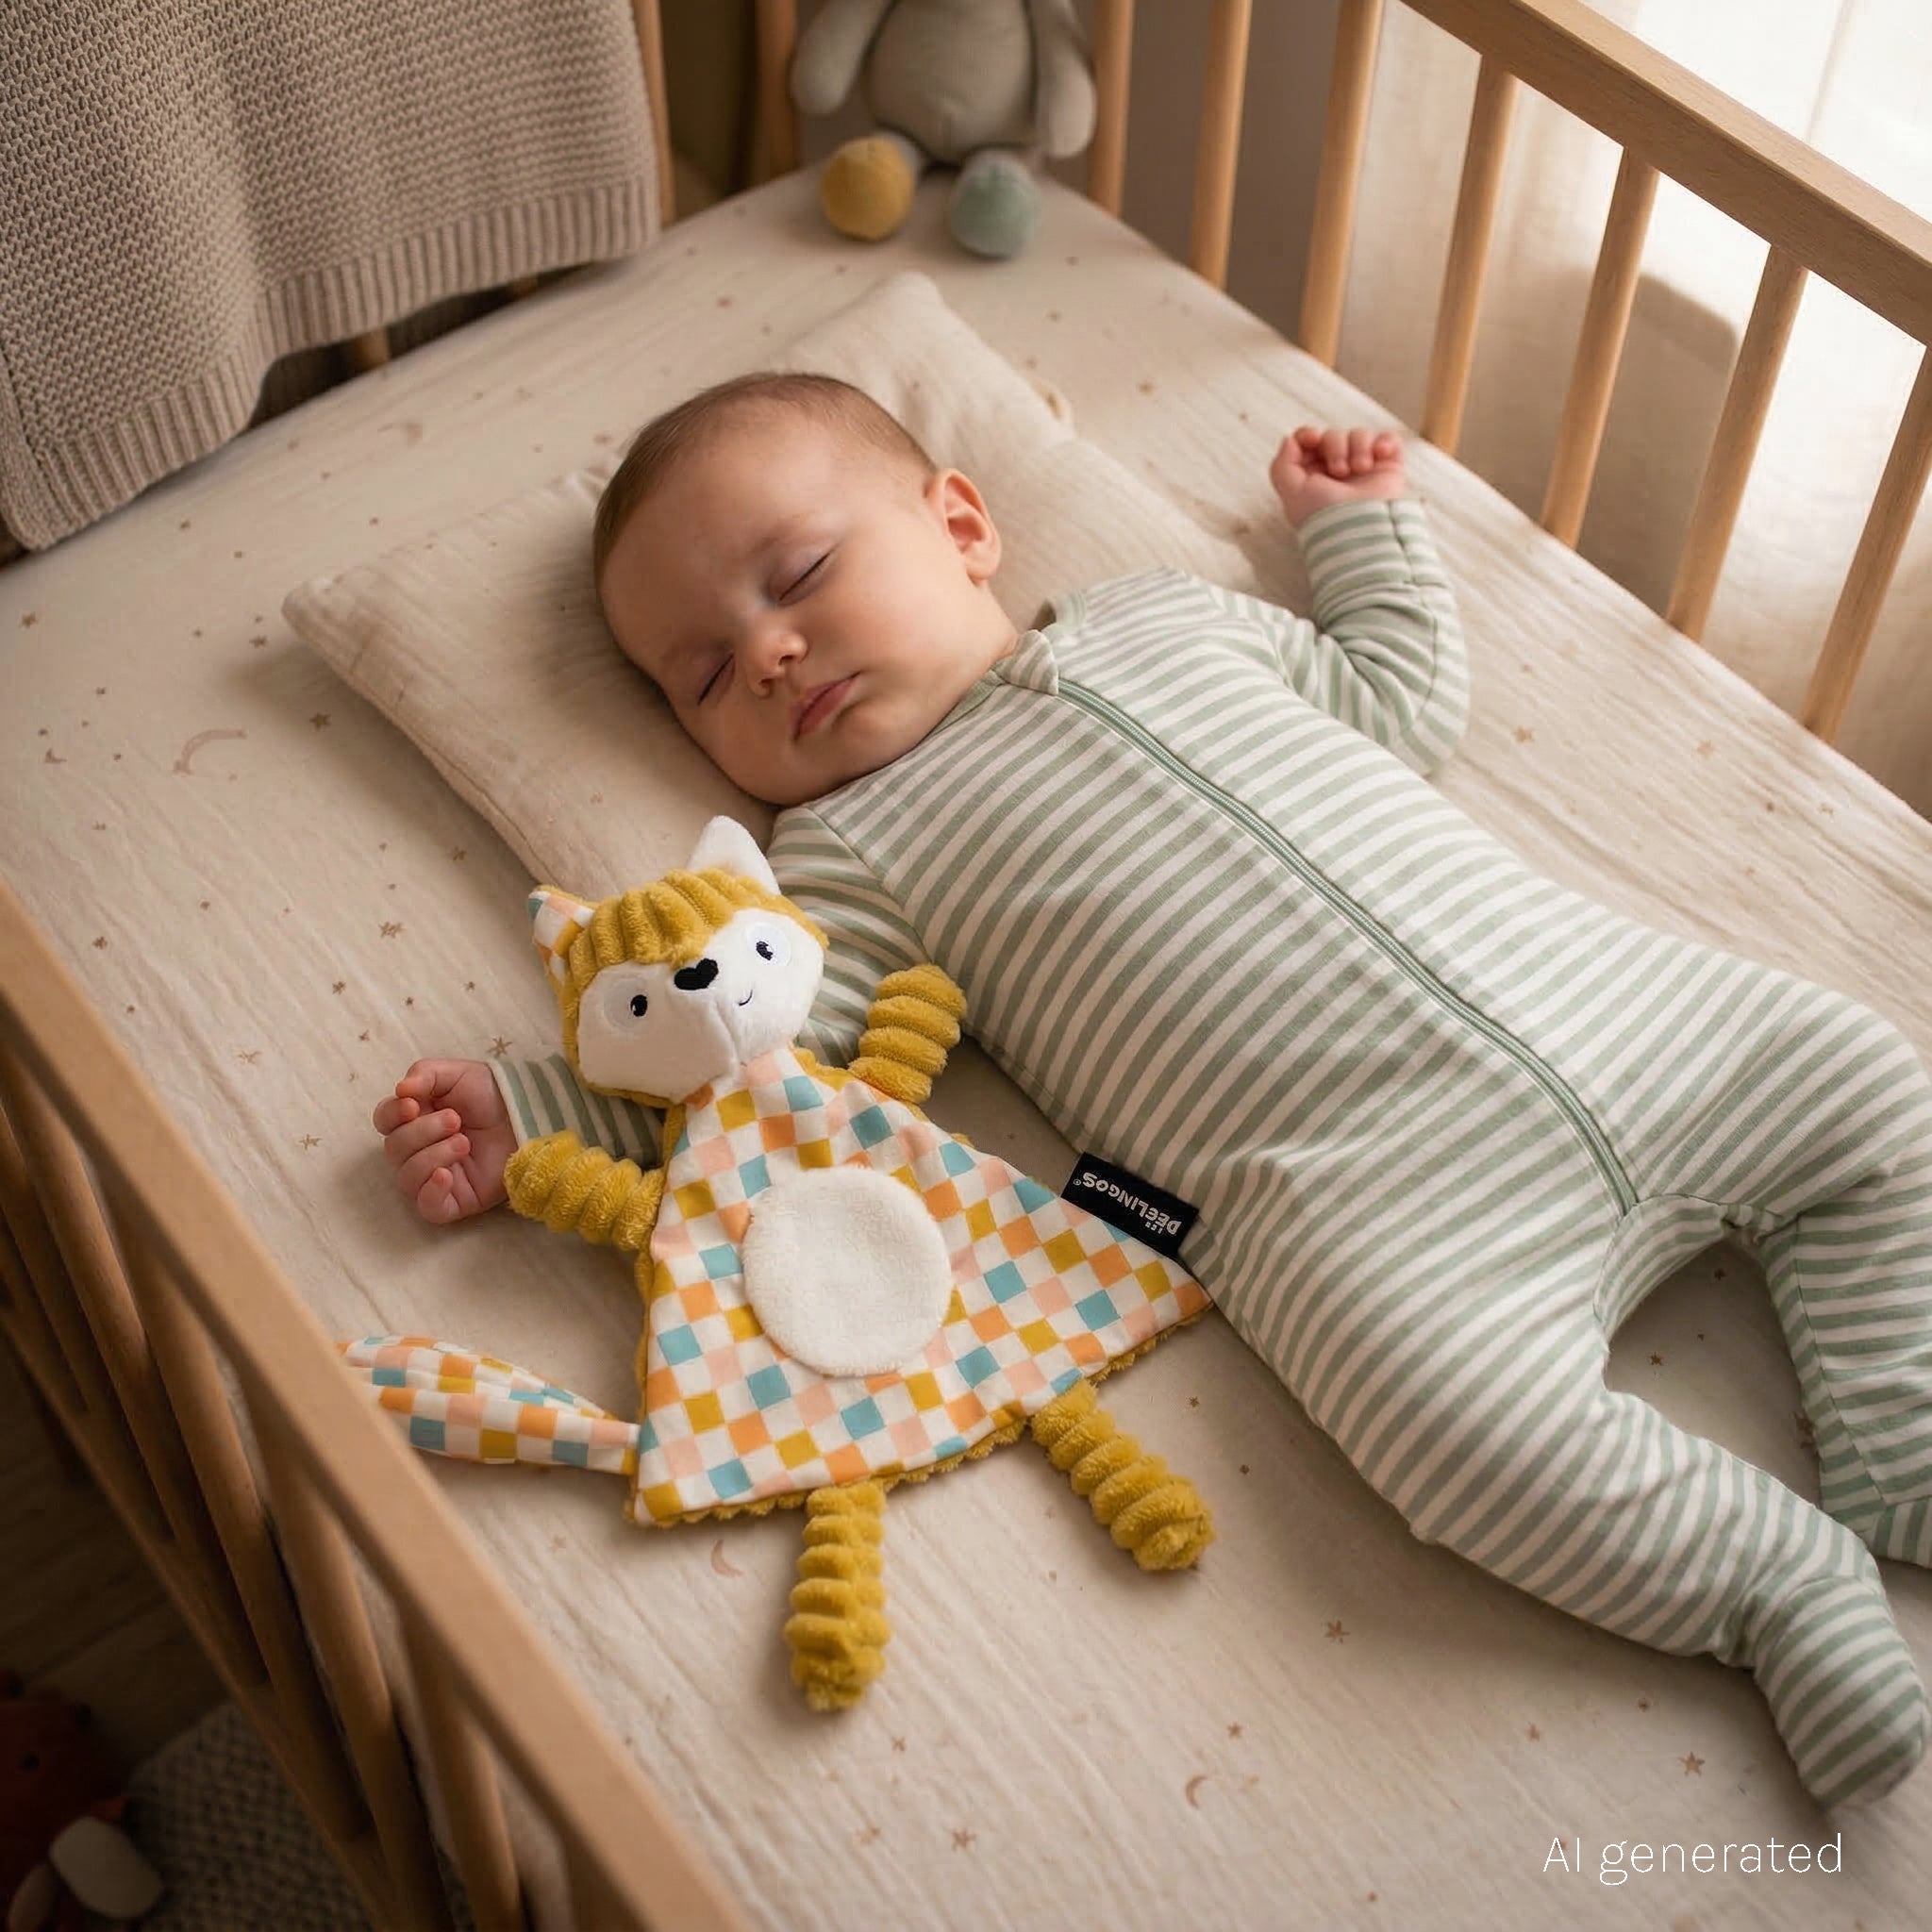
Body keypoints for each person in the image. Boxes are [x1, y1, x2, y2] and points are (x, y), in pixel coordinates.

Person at [375, 372, 1932, 1809]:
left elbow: (1392, 697)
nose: (770, 651)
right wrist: (537, 1112)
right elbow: (756, 1069)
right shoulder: (840, 863)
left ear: (964, 526)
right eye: (706, 674)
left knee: (1862, 1081)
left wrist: (1361, 533)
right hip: (1371, 1202)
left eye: (797, 579)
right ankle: (1772, 1580)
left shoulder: (1167, 615)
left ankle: (1901, 1429)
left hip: (1633, 1013)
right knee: (1449, 1433)